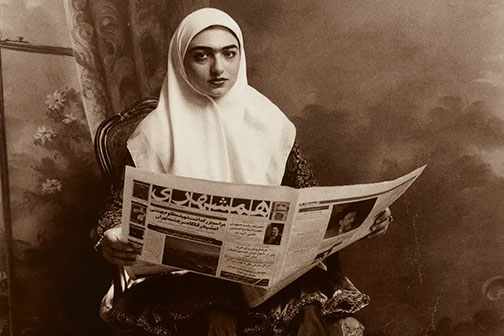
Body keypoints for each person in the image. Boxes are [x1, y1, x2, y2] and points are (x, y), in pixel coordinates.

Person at [94, 8, 392, 336]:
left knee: (315, 318)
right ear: (180, 61)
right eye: (202, 55)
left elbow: (309, 196)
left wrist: (365, 218)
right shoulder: (153, 135)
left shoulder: (269, 122)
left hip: (266, 279)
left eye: (229, 53)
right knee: (217, 324)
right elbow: (115, 210)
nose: (218, 68)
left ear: (240, 57)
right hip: (189, 282)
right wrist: (111, 235)